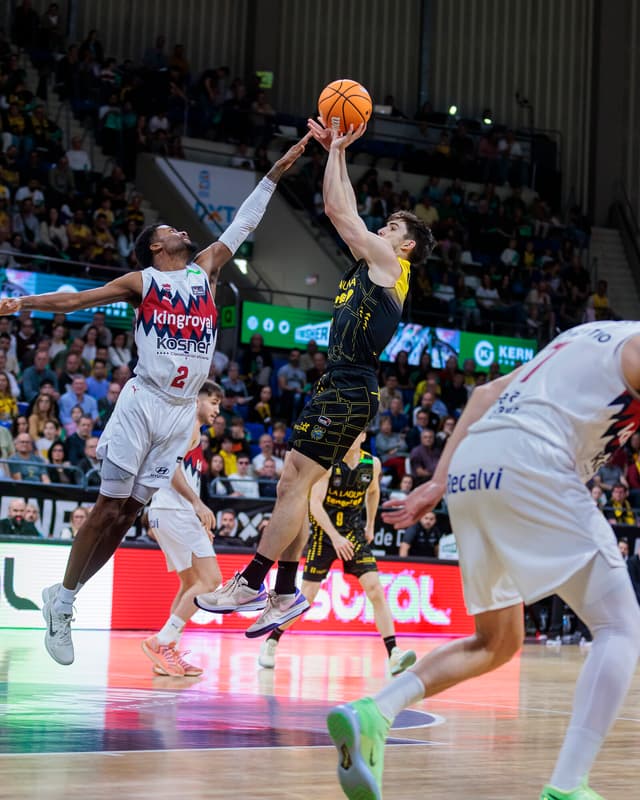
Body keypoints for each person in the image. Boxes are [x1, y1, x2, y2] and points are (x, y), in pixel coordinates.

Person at [0, 135, 311, 667]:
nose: (182, 230)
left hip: (178, 410)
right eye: (171, 230)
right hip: (143, 401)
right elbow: (76, 299)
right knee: (106, 509)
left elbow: (244, 223)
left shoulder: (206, 271)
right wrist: (19, 302)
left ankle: (63, 595)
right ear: (155, 247)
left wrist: (276, 171)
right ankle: (65, 600)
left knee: (127, 516)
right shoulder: (141, 281)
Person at [325, 320, 640, 800]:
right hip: (532, 460)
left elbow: (483, 395)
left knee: (497, 641)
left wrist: (437, 482)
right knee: (621, 627)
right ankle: (567, 786)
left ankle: (376, 711)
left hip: (473, 467)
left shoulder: (584, 334)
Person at [195, 119, 435, 640]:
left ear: (407, 247)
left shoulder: (391, 268)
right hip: (340, 385)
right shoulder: (370, 263)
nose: (382, 229)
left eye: (392, 227)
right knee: (293, 486)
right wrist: (340, 153)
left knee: (296, 483)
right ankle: (283, 593)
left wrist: (336, 151)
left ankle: (253, 583)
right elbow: (343, 205)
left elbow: (335, 211)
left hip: (351, 388)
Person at [257, 432, 416, 675]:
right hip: (325, 533)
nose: (351, 435)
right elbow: (315, 504)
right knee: (307, 597)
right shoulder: (330, 463)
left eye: (356, 432)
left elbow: (373, 493)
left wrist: (370, 524)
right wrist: (335, 537)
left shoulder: (371, 464)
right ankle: (271, 641)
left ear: (362, 436)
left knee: (375, 590)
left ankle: (394, 653)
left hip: (352, 532)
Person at [143, 381, 222, 677]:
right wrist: (197, 505)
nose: (216, 410)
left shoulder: (193, 430)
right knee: (212, 581)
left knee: (191, 583)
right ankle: (162, 640)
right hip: (174, 510)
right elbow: (168, 467)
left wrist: (195, 516)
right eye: (213, 402)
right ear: (198, 400)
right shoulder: (188, 424)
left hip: (170, 511)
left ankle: (168, 648)